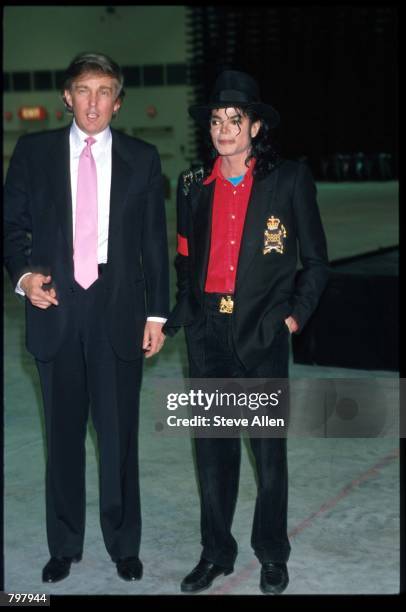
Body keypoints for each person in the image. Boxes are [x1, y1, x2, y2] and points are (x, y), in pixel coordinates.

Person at [4, 52, 169, 583]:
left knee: (119, 435)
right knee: (63, 435)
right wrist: (26, 279)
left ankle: (124, 543)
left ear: (118, 103)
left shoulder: (142, 159)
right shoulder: (33, 153)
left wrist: (157, 315)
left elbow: (153, 244)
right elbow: (10, 227)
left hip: (118, 307)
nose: (92, 101)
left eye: (103, 91)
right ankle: (64, 543)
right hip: (57, 304)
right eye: (83, 89)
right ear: (66, 97)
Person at [164, 70, 329, 594]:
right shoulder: (192, 186)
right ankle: (216, 553)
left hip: (261, 332)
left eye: (235, 120)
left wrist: (293, 316)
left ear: (256, 126)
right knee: (213, 454)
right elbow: (185, 257)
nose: (224, 130)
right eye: (216, 120)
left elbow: (317, 262)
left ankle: (272, 553)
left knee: (268, 455)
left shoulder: (289, 179)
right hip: (208, 335)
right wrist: (186, 313)